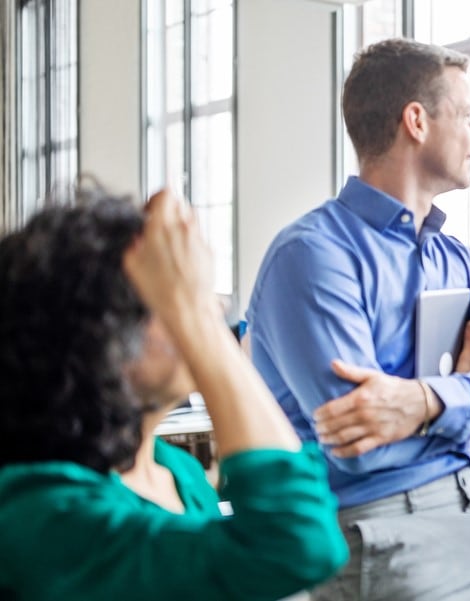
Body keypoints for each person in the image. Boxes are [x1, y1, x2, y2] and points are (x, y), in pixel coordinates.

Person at [246, 38, 470, 601]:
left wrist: (426, 400)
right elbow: (363, 439)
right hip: (390, 523)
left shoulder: (456, 258)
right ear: (416, 121)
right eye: (465, 115)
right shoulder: (313, 255)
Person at [0, 188, 347, 600]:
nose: (213, 309)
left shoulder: (177, 471)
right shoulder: (42, 514)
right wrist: (195, 318)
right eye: (169, 298)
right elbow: (299, 541)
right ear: (99, 338)